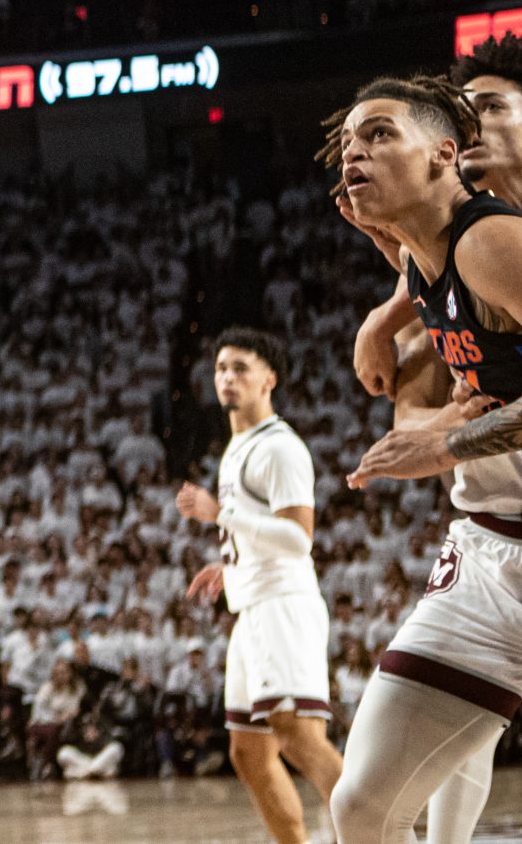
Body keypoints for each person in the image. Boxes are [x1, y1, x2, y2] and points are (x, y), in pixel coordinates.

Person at [334, 66, 522, 844]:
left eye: (379, 134)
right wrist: (378, 322)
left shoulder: (492, 241)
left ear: (444, 154)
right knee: (361, 806)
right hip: (491, 553)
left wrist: (447, 442)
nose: (353, 153)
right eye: (349, 142)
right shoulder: (419, 258)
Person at [173, 328, 339, 841]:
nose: (227, 377)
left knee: (298, 736)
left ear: (269, 379)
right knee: (248, 752)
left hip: (282, 605)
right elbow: (258, 530)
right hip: (253, 605)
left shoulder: (280, 448)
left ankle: (385, 834)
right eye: (221, 368)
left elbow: (296, 539)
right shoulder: (238, 447)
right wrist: (233, 565)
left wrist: (219, 513)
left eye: (240, 367)